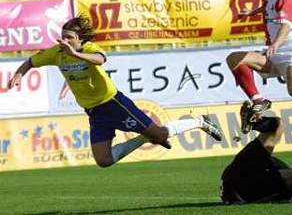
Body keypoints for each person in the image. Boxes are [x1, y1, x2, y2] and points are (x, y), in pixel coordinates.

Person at [7, 15, 223, 168]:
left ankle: (200, 122)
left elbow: (100, 60)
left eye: (70, 37)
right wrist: (19, 73)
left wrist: (75, 54)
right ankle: (144, 138)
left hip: (113, 103)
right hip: (94, 112)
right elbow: (30, 62)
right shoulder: (56, 53)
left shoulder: (89, 50)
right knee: (103, 161)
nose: (65, 41)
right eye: (63, 37)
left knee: (160, 134)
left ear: (81, 40)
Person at [219, 100, 292, 204]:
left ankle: (254, 123)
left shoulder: (285, 183)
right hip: (240, 187)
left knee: (277, 125)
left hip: (237, 179)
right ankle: (254, 123)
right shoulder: (285, 186)